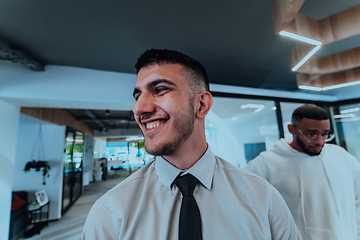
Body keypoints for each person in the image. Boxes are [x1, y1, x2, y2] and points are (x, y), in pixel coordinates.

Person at [82, 49, 300, 239]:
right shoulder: (110, 211)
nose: (139, 109)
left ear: (202, 105)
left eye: (159, 90)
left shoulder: (263, 198)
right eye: (137, 96)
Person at [245, 104, 360, 240]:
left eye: (325, 134)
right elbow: (250, 212)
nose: (320, 141)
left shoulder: (342, 156)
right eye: (311, 134)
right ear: (291, 129)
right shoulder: (263, 164)